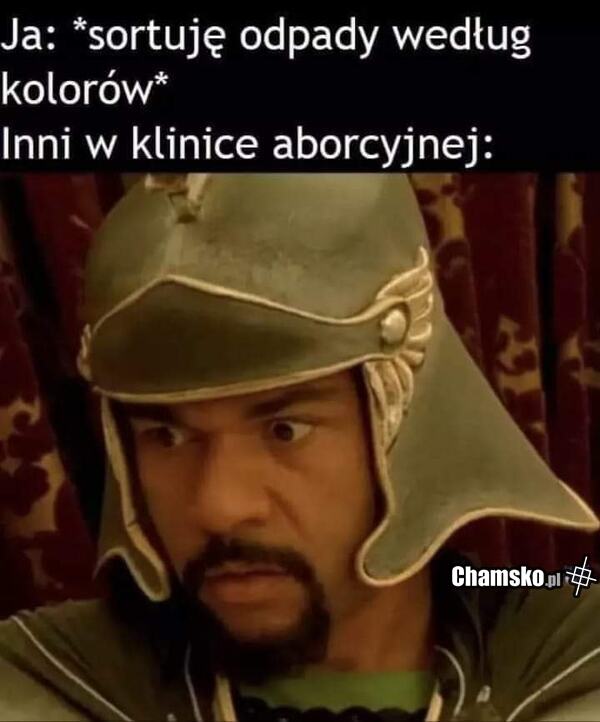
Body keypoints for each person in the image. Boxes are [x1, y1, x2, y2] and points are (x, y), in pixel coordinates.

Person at [1, 173, 600, 722]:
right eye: (168, 436)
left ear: (402, 418)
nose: (219, 507)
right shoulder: (49, 677)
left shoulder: (566, 645)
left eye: (285, 429)